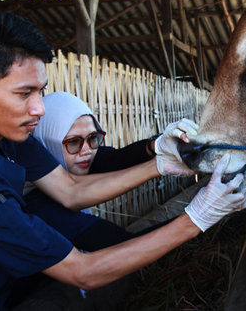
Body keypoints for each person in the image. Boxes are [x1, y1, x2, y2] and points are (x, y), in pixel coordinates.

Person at [0, 8, 246, 311]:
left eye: (40, 91)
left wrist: (158, 163)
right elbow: (84, 271)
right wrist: (198, 217)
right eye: (24, 93)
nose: (39, 108)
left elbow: (70, 190)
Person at [26, 91, 178, 252]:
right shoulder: (35, 205)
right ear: (46, 141)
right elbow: (121, 245)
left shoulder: (76, 161)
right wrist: (197, 217)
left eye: (93, 137)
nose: (86, 151)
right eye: (73, 141)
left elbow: (115, 158)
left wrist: (157, 144)